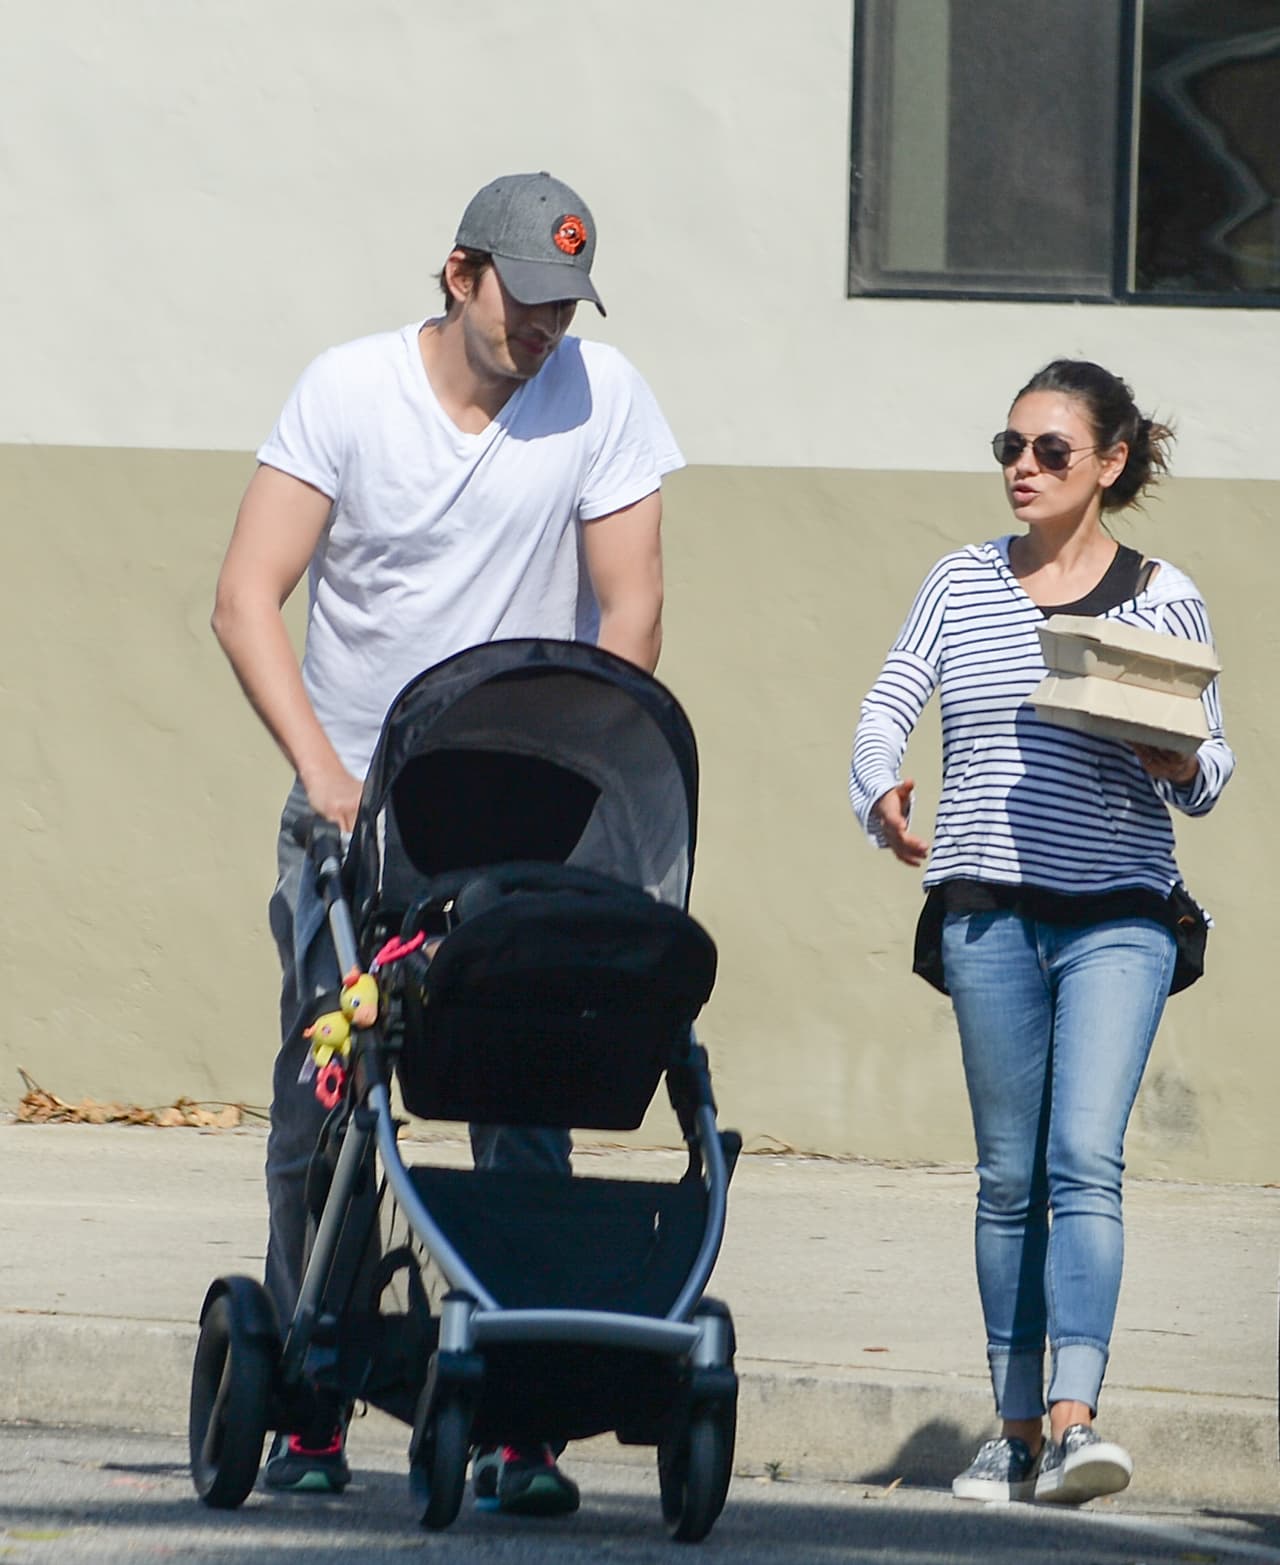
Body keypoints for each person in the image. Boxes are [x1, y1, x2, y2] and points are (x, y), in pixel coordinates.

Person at [212, 170, 684, 1513]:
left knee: (525, 1089)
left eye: (563, 308)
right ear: (461, 273)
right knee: (333, 1086)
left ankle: (518, 1414)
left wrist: (595, 762)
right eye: (524, 301)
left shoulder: (603, 395)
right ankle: (311, 1386)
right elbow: (248, 598)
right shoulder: (349, 391)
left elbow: (630, 602)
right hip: (357, 811)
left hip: (524, 810)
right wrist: (328, 776)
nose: (544, 331)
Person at [848, 359, 1233, 1506]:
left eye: (1048, 450)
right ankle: (1009, 1429)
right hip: (985, 911)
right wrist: (878, 790)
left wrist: (1172, 758)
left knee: (1082, 1160)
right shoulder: (959, 580)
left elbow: (1209, 772)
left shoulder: (1161, 595)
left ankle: (1073, 1422)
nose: (1021, 467)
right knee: (1008, 1177)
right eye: (1008, 447)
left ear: (1107, 464)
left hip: (1118, 912)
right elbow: (886, 704)